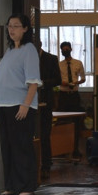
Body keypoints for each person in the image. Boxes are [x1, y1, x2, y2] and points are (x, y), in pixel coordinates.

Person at [0, 14, 41, 195]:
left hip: (20, 105)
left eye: (16, 26)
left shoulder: (29, 49)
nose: (12, 29)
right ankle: (12, 186)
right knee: (8, 147)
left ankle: (26, 187)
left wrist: (25, 104)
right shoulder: (9, 50)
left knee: (22, 146)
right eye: (9, 26)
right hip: (5, 105)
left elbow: (33, 83)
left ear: (25, 29)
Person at [37, 42, 62, 180]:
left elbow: (58, 79)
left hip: (46, 100)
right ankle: (33, 166)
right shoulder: (26, 57)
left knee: (45, 135)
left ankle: (46, 166)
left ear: (40, 44)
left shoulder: (51, 58)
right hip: (28, 102)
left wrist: (43, 83)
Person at [57, 41, 86, 112]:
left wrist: (76, 82)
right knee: (63, 115)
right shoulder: (59, 64)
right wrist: (62, 83)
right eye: (63, 50)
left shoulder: (78, 63)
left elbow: (83, 78)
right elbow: (57, 79)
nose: (65, 51)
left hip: (74, 94)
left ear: (71, 49)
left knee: (75, 115)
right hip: (63, 94)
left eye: (67, 49)